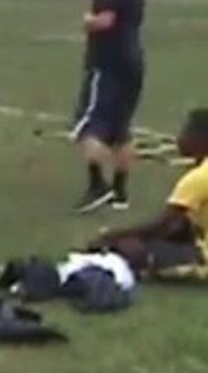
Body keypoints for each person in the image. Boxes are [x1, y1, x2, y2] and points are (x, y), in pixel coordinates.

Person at [71, 0, 146, 213]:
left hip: (108, 64)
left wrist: (87, 21)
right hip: (132, 63)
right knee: (121, 130)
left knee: (90, 126)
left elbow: (105, 22)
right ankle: (120, 192)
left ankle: (96, 186)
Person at [87, 108, 208, 281]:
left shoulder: (198, 178)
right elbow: (180, 224)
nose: (180, 139)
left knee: (129, 250)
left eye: (187, 132)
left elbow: (164, 225)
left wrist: (112, 237)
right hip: (198, 239)